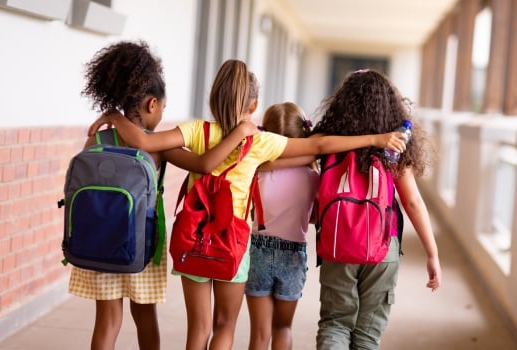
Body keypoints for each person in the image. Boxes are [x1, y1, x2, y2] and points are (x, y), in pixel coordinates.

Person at [88, 59, 408, 350]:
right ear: (254, 105)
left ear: (213, 98)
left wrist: (115, 115)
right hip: (232, 244)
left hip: (193, 240)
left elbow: (143, 140)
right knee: (224, 326)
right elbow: (319, 145)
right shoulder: (259, 141)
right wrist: (374, 139)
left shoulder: (196, 130)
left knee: (197, 330)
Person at [72, 41, 258, 350]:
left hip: (99, 242)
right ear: (152, 105)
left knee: (107, 321)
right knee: (145, 317)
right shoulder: (159, 147)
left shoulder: (98, 136)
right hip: (143, 242)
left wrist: (114, 119)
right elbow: (203, 164)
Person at [311, 69, 442, 350]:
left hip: (338, 242)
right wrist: (432, 253)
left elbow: (313, 150)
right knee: (367, 336)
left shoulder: (330, 139)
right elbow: (412, 202)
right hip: (382, 247)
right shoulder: (395, 147)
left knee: (335, 323)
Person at [245, 102, 319, 350]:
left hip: (258, 250)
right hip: (293, 253)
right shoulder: (313, 178)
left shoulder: (256, 172)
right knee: (283, 328)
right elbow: (315, 216)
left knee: (258, 335)